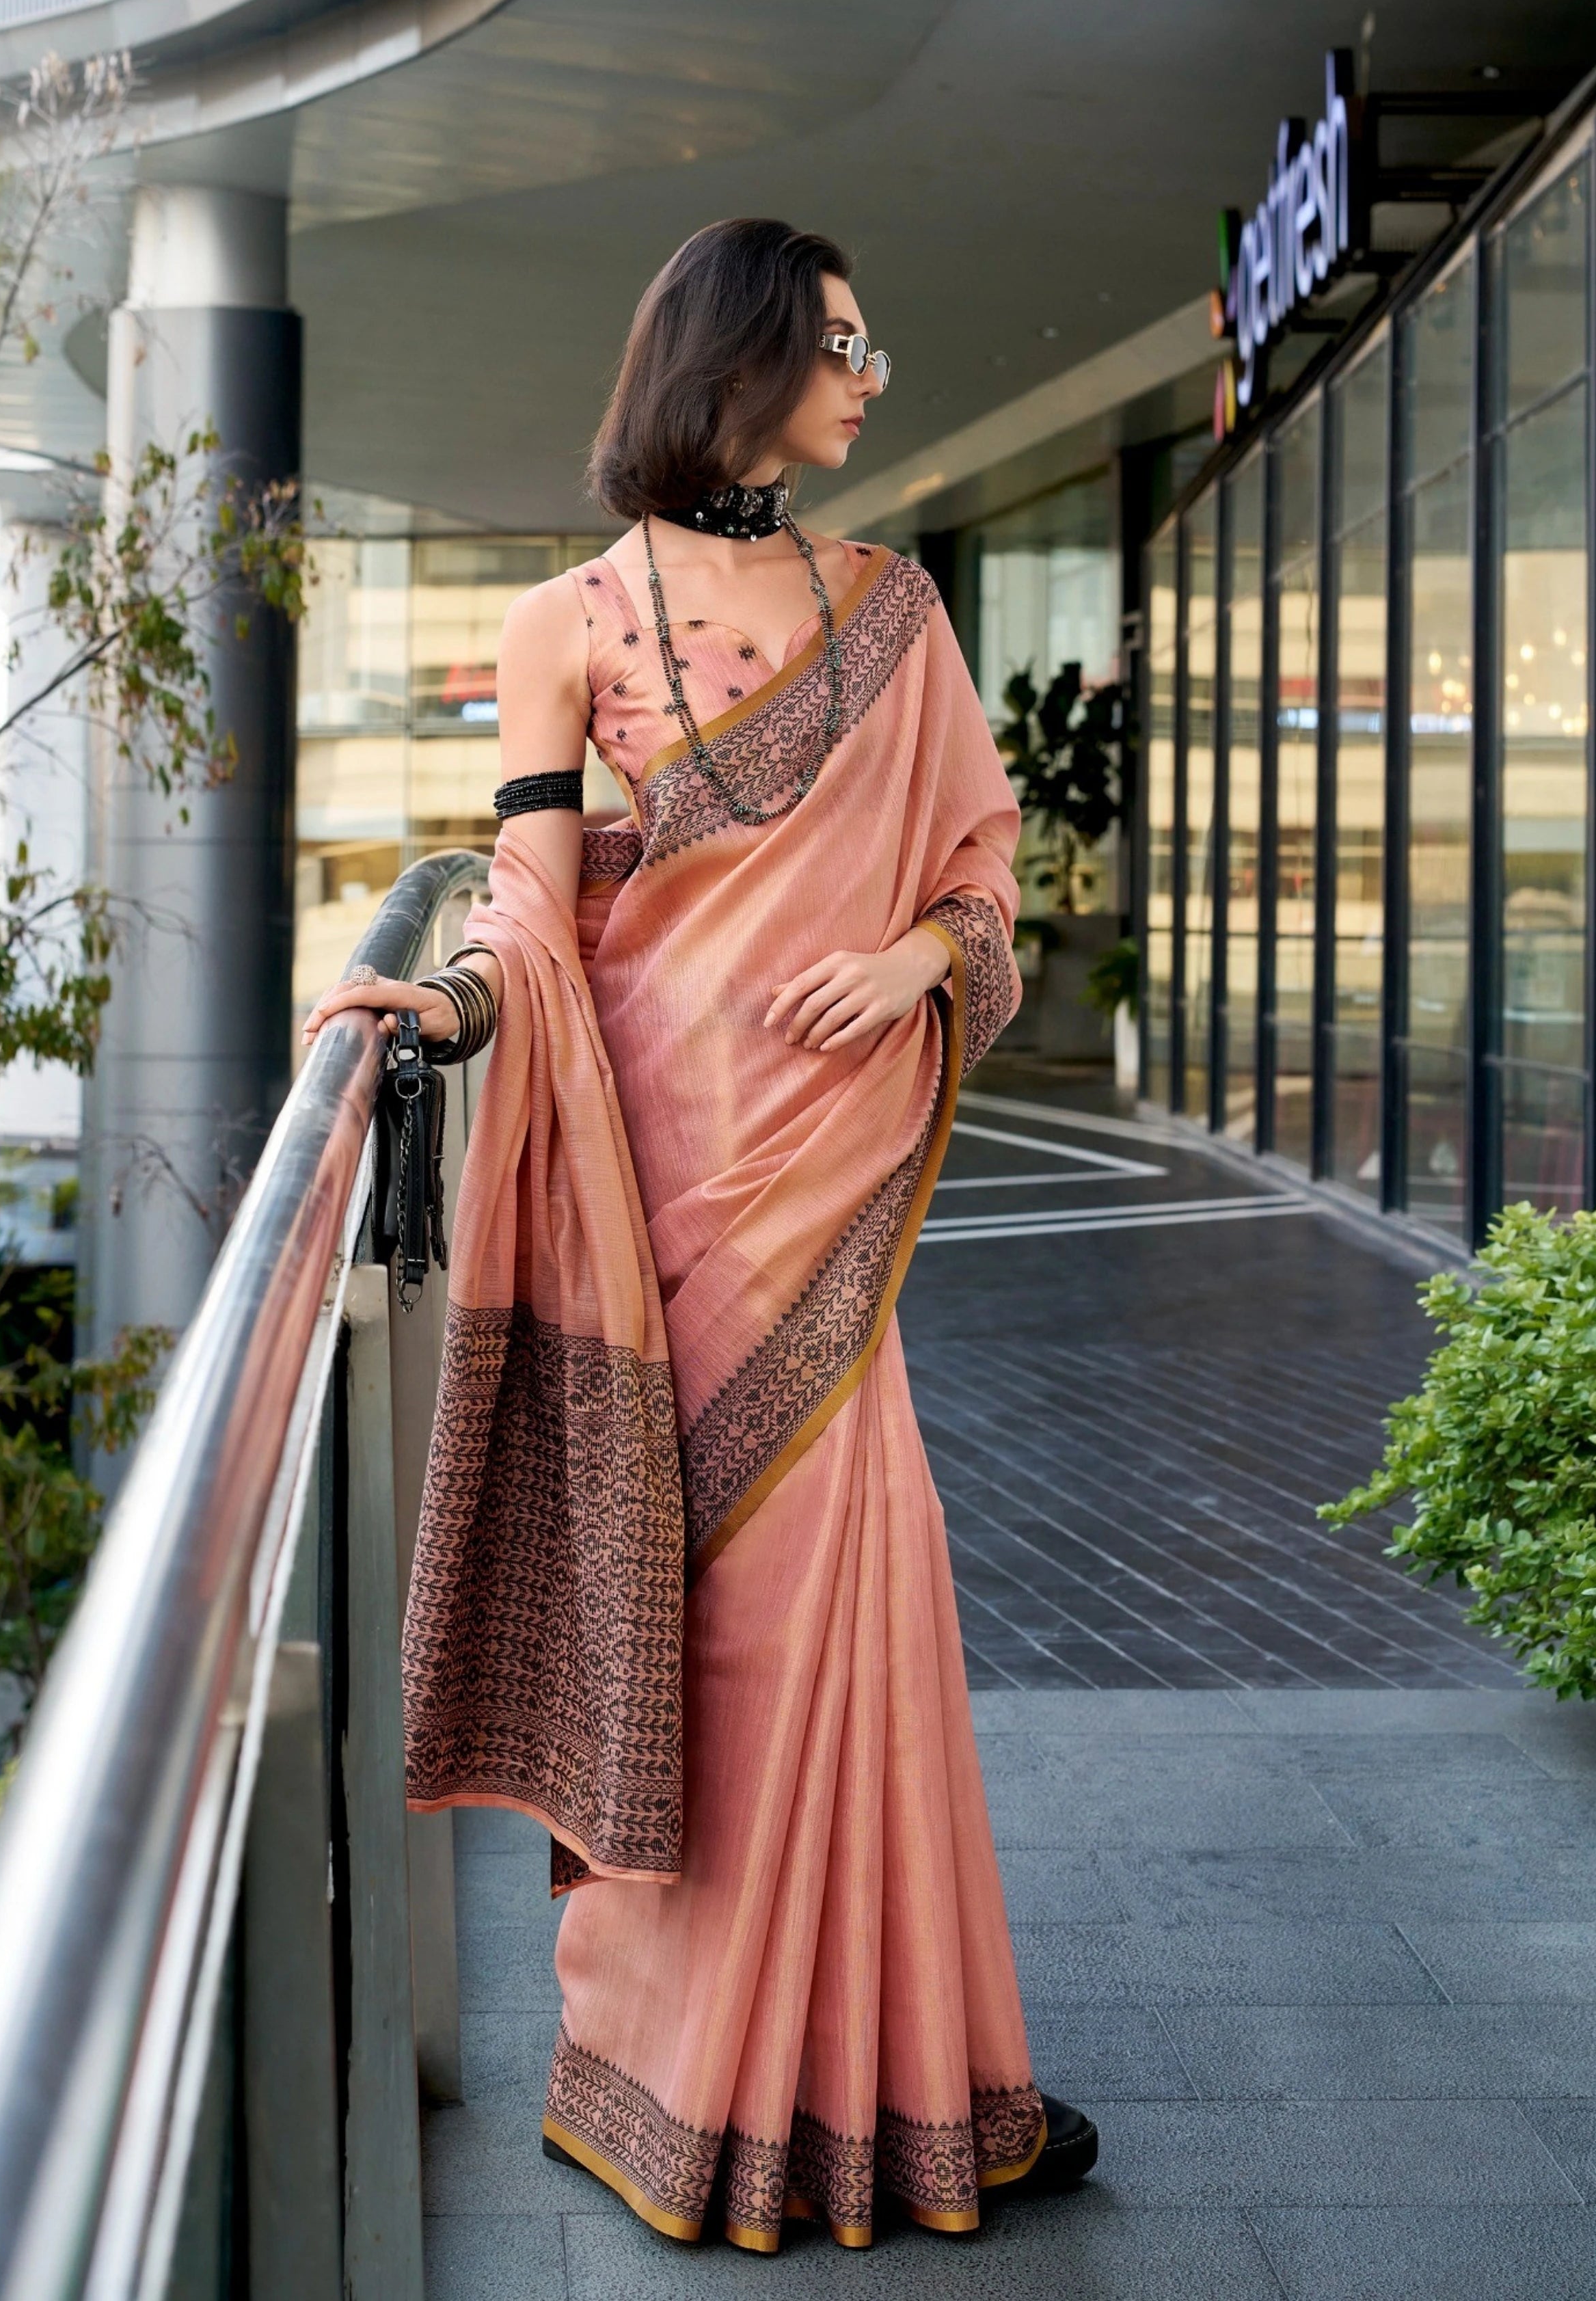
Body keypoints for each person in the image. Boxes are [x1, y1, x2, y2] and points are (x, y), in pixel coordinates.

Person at [303, 219, 1097, 2252]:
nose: (872, 377)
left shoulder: (895, 609)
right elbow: (538, 893)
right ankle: (681, 2079)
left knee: (852, 1607)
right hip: (654, 1178)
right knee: (706, 1634)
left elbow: (992, 857)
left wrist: (922, 955)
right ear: (740, 362)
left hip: (827, 1177)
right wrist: (450, 1005)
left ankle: (897, 2079)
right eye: (844, 344)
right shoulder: (566, 620)